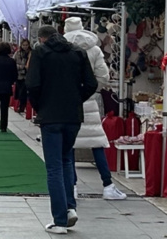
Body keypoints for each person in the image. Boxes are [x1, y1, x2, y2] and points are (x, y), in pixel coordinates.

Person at [27, 24, 98, 233]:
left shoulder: (40, 52)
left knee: (54, 167)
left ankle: (59, 219)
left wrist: (40, 105)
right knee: (67, 160)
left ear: (42, 38)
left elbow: (32, 84)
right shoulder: (78, 52)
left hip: (50, 116)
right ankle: (69, 208)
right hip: (72, 116)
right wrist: (77, 99)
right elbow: (92, 83)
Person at [64, 17, 126, 201]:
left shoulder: (62, 48)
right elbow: (103, 75)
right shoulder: (94, 49)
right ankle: (108, 185)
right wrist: (92, 89)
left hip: (68, 101)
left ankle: (72, 185)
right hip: (89, 100)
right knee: (97, 143)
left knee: (70, 145)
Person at [14, 38, 32, 112]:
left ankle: (22, 107)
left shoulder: (31, 53)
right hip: (19, 75)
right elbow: (14, 63)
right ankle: (20, 106)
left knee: (23, 92)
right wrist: (21, 67)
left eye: (26, 45)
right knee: (19, 92)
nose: (25, 46)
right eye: (24, 45)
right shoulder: (18, 53)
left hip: (27, 75)